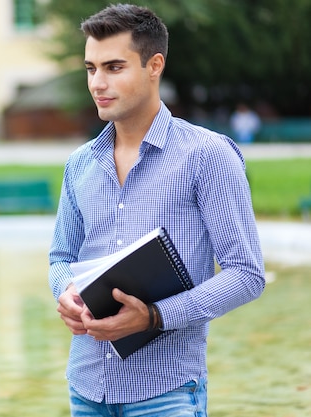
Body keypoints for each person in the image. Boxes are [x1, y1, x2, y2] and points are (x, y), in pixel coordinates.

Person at [48, 4, 265, 417]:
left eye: (113, 67)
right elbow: (61, 257)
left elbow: (246, 273)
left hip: (165, 394)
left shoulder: (208, 155)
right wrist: (66, 293)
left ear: (154, 66)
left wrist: (154, 316)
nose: (98, 82)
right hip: (86, 387)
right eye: (91, 68)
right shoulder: (80, 163)